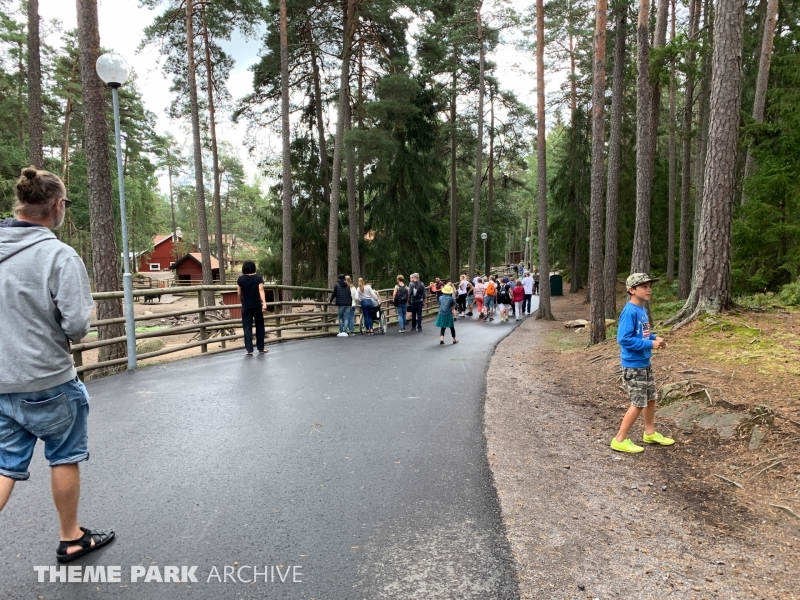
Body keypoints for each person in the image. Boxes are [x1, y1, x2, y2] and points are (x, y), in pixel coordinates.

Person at [0, 166, 115, 562]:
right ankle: (71, 538)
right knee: (64, 454)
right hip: (46, 377)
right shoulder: (58, 255)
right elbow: (77, 326)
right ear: (57, 206)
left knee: (4, 465)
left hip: (1, 379)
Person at [611, 273, 674, 454]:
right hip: (633, 365)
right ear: (632, 290)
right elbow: (624, 339)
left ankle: (650, 433)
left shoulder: (642, 310)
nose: (649, 290)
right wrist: (650, 344)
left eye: (649, 286)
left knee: (651, 398)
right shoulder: (630, 311)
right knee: (638, 403)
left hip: (644, 363)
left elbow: (642, 334)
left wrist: (655, 338)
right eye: (644, 287)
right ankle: (619, 440)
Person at [237, 260, 268, 354]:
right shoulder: (258, 278)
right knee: (260, 326)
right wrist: (264, 303)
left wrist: (241, 301)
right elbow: (261, 290)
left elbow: (239, 293)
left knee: (247, 328)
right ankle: (261, 348)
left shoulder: (240, 279)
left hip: (246, 305)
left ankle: (249, 350)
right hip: (256, 305)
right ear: (254, 268)